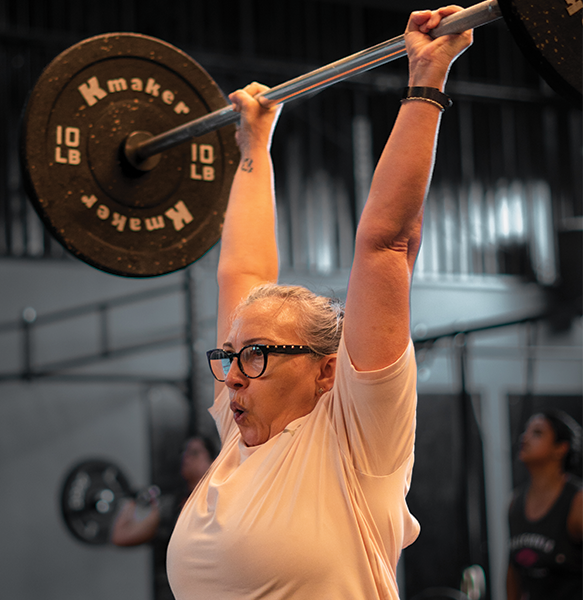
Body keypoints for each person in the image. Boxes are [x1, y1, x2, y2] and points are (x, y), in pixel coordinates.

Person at [167, 7, 472, 599]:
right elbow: (244, 271)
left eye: (253, 355)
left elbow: (385, 243)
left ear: (326, 370)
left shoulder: (355, 441)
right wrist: (254, 142)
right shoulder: (239, 436)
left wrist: (427, 78)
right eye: (228, 356)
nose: (231, 377)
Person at [507, 410, 583, 599]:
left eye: (537, 433)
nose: (525, 437)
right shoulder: (514, 503)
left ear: (561, 448)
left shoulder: (577, 501)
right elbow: (513, 572)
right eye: (526, 431)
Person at [111, 435, 217, 547]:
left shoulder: (221, 498)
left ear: (213, 461)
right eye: (184, 452)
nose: (186, 457)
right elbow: (120, 537)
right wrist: (131, 501)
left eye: (194, 453)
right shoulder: (171, 506)